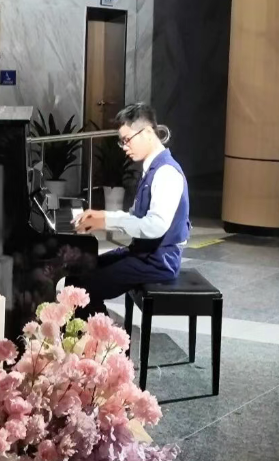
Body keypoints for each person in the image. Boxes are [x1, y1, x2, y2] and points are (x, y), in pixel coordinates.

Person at [69, 103, 190, 317]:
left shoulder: (167, 173)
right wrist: (103, 216)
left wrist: (105, 221)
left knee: (84, 287)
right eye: (122, 141)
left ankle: (100, 335)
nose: (124, 147)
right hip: (143, 254)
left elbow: (155, 227)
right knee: (79, 272)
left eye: (127, 139)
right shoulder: (151, 170)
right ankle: (96, 330)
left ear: (148, 132)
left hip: (159, 262)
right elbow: (135, 217)